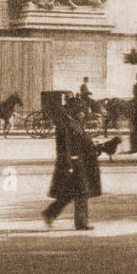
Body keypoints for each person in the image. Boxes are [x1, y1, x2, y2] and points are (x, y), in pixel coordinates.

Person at [42, 92, 101, 231]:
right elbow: (63, 147)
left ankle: (50, 214)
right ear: (73, 109)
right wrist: (68, 164)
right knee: (81, 192)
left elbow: (83, 142)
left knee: (70, 194)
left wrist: (97, 147)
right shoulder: (66, 125)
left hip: (78, 162)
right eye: (79, 110)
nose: (82, 113)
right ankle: (81, 222)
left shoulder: (73, 123)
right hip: (73, 164)